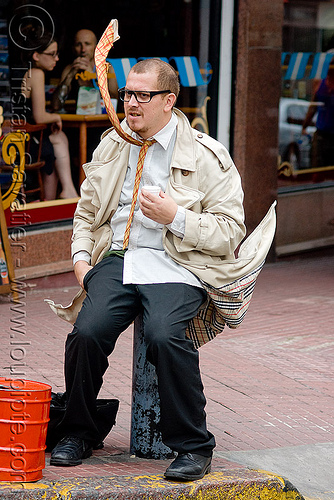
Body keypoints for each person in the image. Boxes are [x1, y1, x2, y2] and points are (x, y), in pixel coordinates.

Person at [49, 59, 246, 480]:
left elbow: (231, 232)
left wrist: (176, 216)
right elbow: (86, 212)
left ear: (169, 101)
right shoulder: (113, 144)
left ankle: (194, 446)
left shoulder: (208, 155)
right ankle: (78, 431)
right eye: (127, 94)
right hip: (118, 256)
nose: (130, 103)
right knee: (86, 333)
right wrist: (81, 260)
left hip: (178, 262)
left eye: (142, 95)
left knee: (165, 335)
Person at [21, 33, 79, 200]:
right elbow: (40, 117)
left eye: (57, 54)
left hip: (23, 136)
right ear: (36, 55)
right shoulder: (36, 74)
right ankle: (65, 192)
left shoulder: (26, 73)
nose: (57, 59)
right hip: (25, 140)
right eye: (52, 54)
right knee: (58, 140)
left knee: (57, 139)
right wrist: (56, 118)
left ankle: (63, 193)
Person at [51, 29, 118, 112]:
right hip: (77, 120)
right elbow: (55, 106)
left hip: (101, 121)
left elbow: (114, 102)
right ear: (73, 48)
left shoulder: (108, 68)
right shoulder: (69, 69)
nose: (83, 49)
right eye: (78, 44)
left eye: (87, 44)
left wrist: (92, 79)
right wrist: (69, 76)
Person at [302, 68, 334, 169]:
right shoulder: (319, 82)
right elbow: (313, 106)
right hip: (321, 133)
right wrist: (305, 126)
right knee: (317, 168)